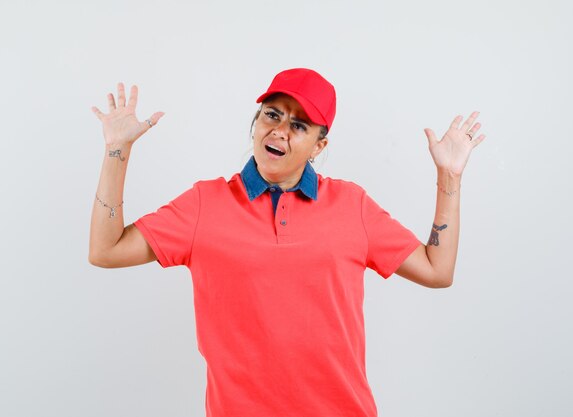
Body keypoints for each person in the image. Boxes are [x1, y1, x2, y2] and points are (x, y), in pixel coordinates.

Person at [89, 68, 485, 417]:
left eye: (299, 125)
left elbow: (437, 271)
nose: (279, 130)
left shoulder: (352, 206)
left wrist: (449, 176)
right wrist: (117, 150)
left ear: (319, 146)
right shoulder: (203, 205)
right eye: (272, 115)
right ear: (256, 122)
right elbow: (106, 251)